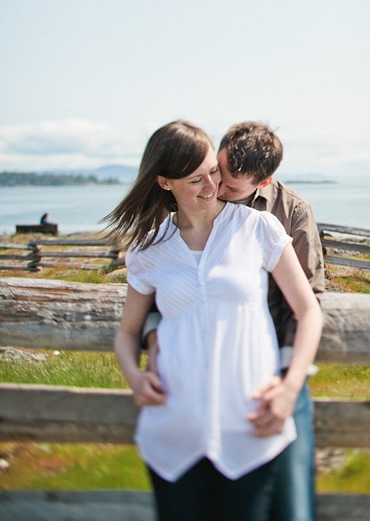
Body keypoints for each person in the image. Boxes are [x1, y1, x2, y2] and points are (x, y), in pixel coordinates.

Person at [107, 120, 323, 521]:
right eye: (196, 179)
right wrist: (134, 379)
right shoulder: (148, 248)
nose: (212, 186)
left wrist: (291, 388)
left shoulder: (259, 227)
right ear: (164, 182)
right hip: (175, 427)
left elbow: (309, 309)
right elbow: (127, 332)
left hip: (249, 422)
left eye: (212, 172)